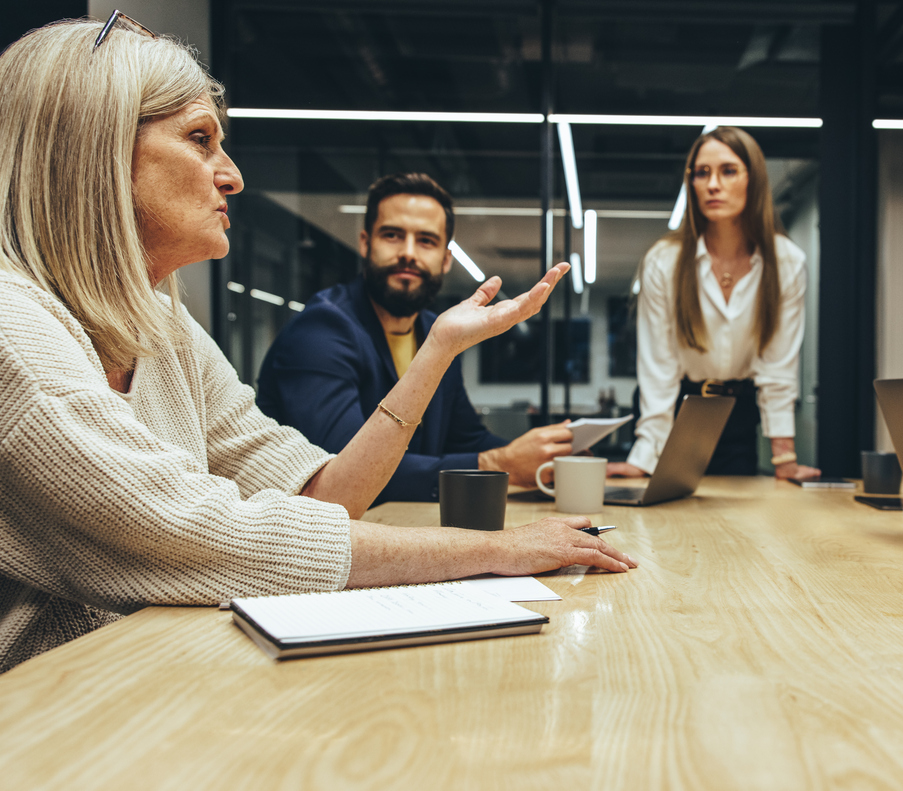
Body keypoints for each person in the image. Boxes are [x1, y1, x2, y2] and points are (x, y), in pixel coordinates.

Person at [0, 18, 634, 674]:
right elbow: (196, 533)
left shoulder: (164, 327)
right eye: (199, 139)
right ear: (92, 149)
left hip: (147, 673)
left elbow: (323, 493)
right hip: (45, 716)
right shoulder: (12, 329)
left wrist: (440, 347)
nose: (234, 176)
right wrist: (492, 548)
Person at [257, 172, 572, 496]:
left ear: (446, 259)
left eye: (426, 240)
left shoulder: (433, 331)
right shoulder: (320, 332)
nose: (408, 252)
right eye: (392, 235)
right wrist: (498, 463)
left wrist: (548, 458)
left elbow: (466, 439)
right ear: (365, 243)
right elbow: (347, 471)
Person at [613, 127, 819, 480]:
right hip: (677, 409)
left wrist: (784, 460)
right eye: (701, 173)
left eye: (728, 171)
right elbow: (658, 370)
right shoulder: (664, 260)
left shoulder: (786, 261)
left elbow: (778, 369)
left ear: (753, 180)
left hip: (736, 414)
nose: (712, 184)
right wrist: (644, 458)